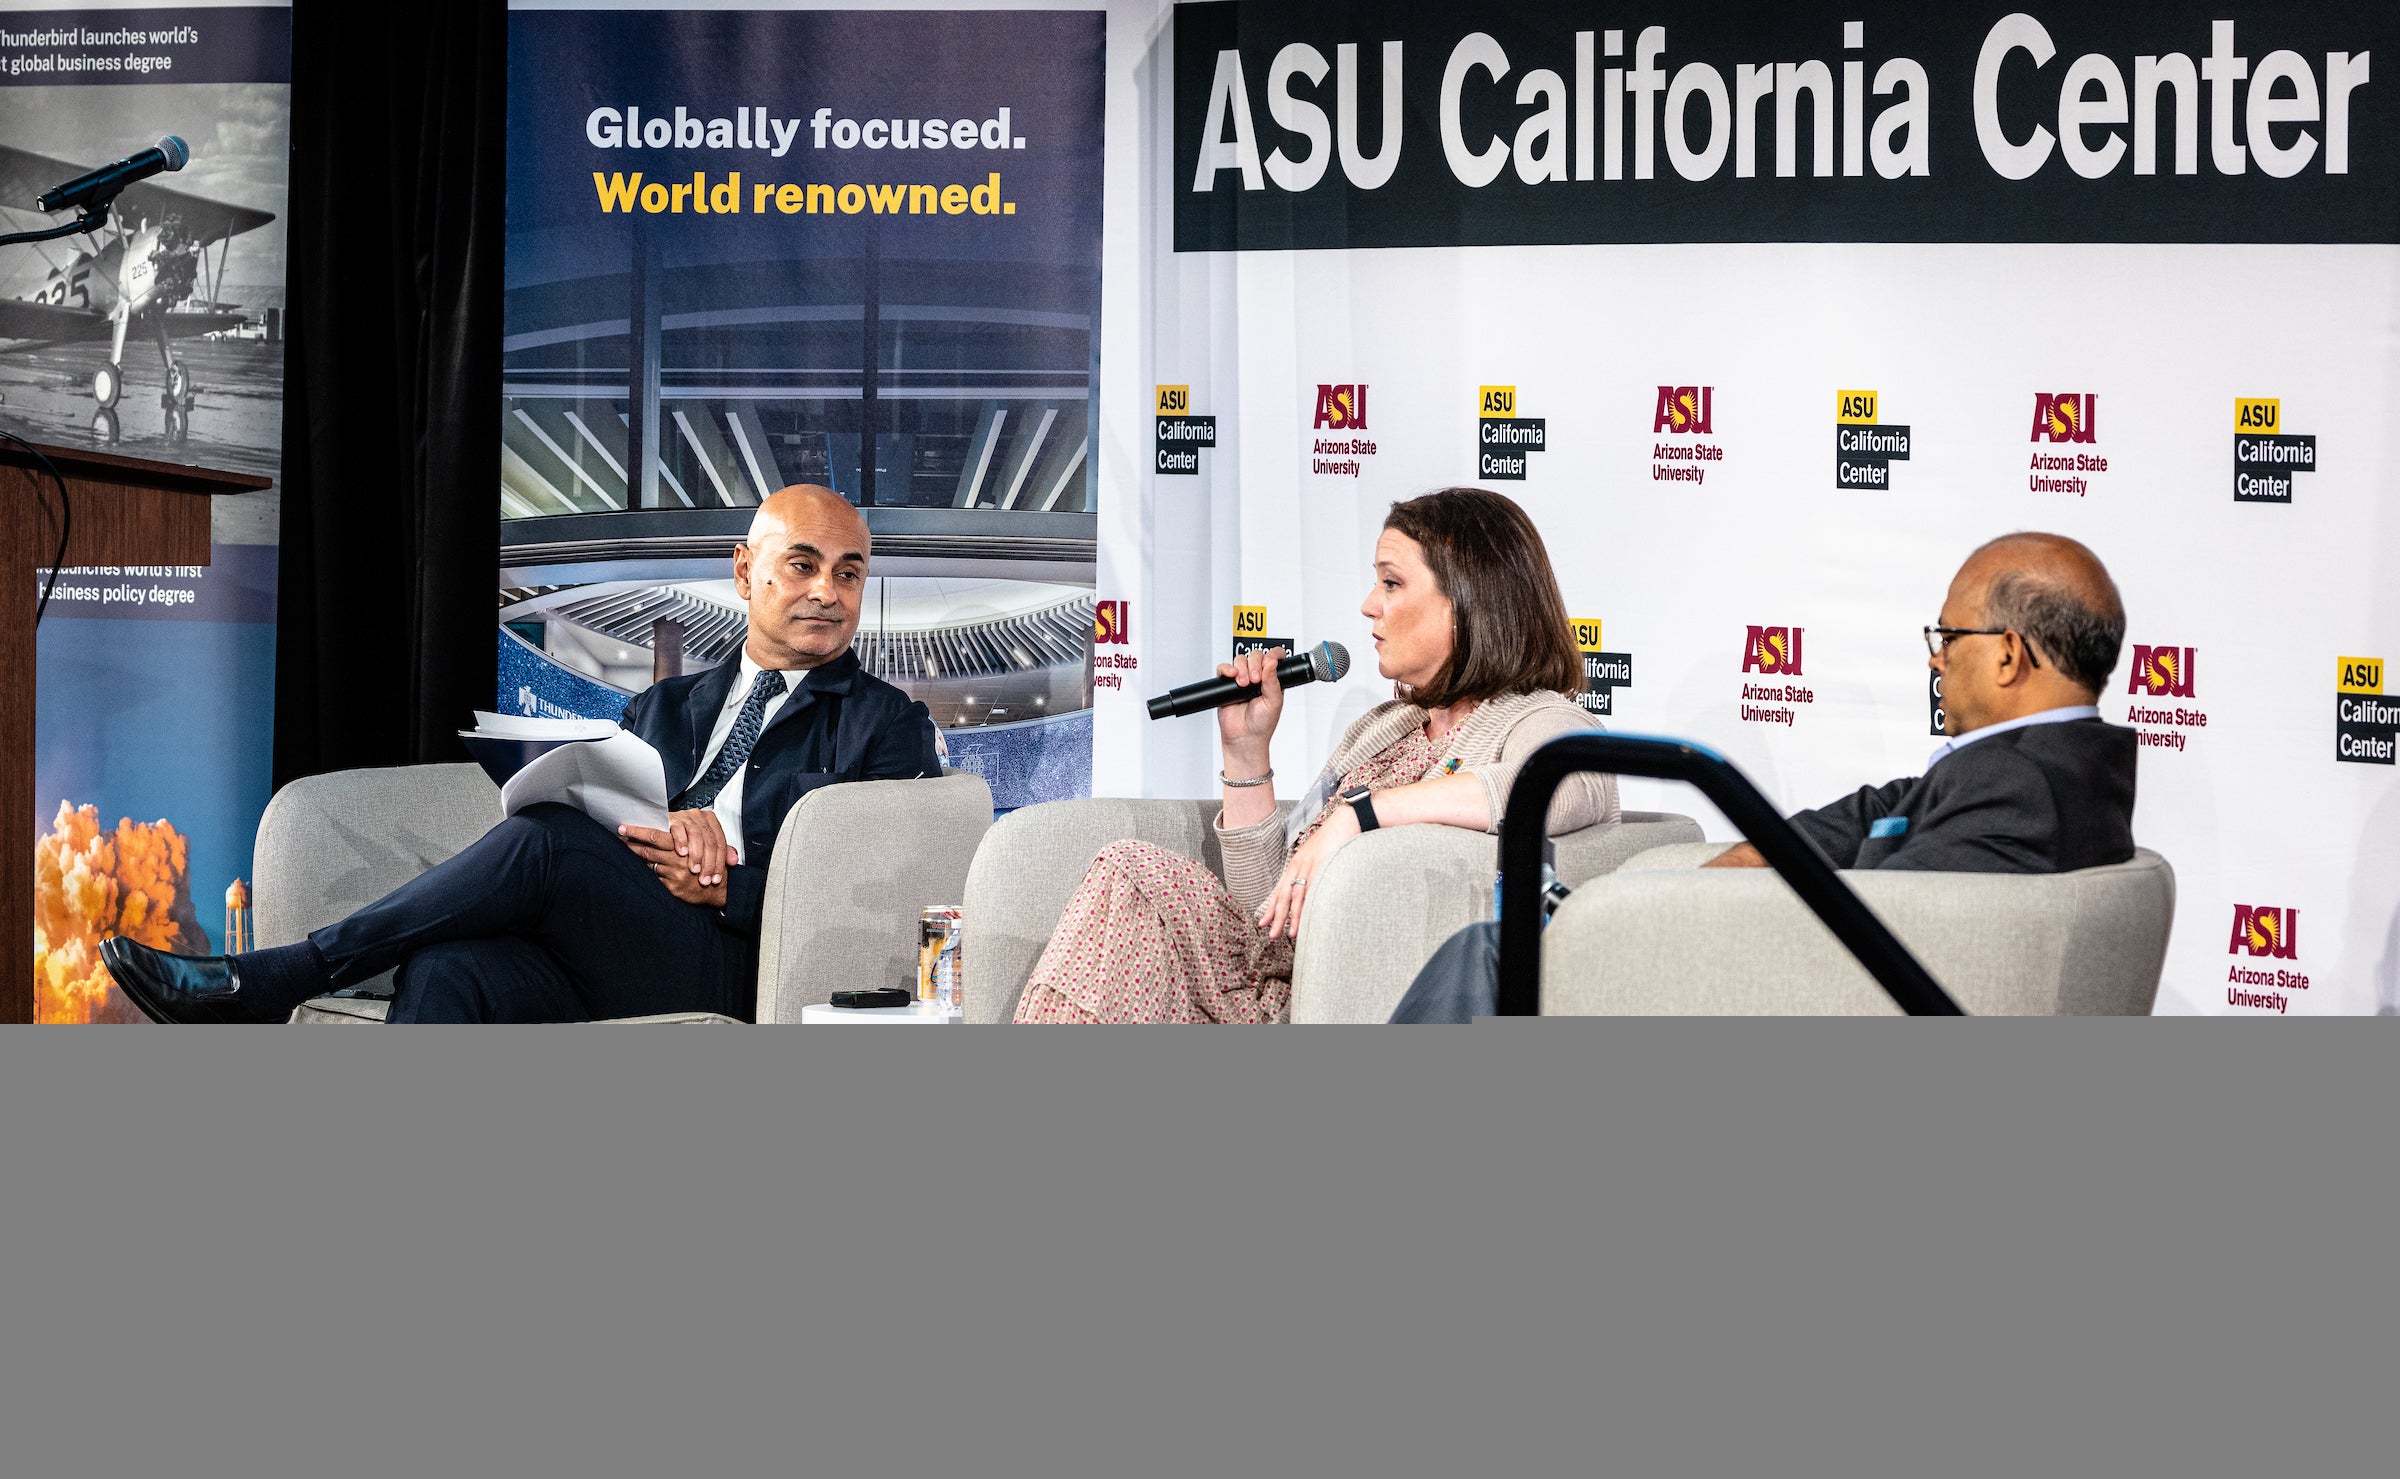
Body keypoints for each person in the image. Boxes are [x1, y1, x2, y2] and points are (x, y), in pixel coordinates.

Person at [103, 485, 941, 1023]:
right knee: (446, 969)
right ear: (744, 571)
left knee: (548, 838)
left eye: (849, 572)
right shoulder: (662, 706)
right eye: (802, 565)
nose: (827, 591)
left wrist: (726, 884)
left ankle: (289, 972)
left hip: (734, 967)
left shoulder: (886, 726)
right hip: (601, 948)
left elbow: (878, 908)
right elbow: (617, 828)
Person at [1390, 531, 2138, 1022]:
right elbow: (1862, 818)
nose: (1936, 658)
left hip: (1788, 997)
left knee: (1491, 953)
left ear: (2008, 655)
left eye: (1948, 636)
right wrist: (1682, 894)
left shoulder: (2016, 788)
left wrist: (1648, 925)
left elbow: (1881, 937)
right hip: (1775, 972)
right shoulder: (2055, 769)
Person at [1014, 487, 1621, 1024]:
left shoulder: (1538, 719)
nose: (1368, 605)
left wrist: (1363, 812)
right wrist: (1246, 750)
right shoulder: (1382, 729)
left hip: (1376, 998)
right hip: (1282, 983)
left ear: (1466, 602)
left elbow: (1570, 783)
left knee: (1132, 872)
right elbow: (1267, 909)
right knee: (1130, 886)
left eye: (1391, 582)